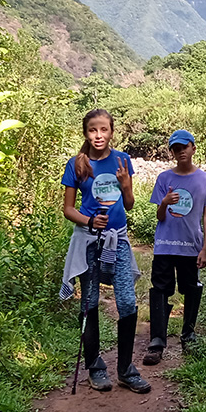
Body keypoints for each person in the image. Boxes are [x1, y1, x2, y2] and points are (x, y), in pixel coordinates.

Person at [60, 109, 151, 394]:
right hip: (89, 240)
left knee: (126, 300)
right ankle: (95, 367)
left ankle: (125, 369)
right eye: (92, 130)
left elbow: (129, 204)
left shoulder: (122, 160)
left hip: (118, 241)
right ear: (85, 132)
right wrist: (89, 220)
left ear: (112, 131)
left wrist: (126, 186)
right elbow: (68, 209)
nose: (98, 135)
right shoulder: (77, 164)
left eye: (103, 130)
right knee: (90, 301)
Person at [142, 129, 206, 365]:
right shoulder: (164, 178)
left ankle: (189, 334)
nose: (180, 152)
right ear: (172, 152)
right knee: (160, 289)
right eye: (175, 148)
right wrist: (164, 202)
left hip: (190, 246)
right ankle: (157, 341)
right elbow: (160, 216)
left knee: (191, 287)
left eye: (184, 147)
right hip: (165, 245)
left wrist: (204, 247)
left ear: (193, 148)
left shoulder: (204, 180)